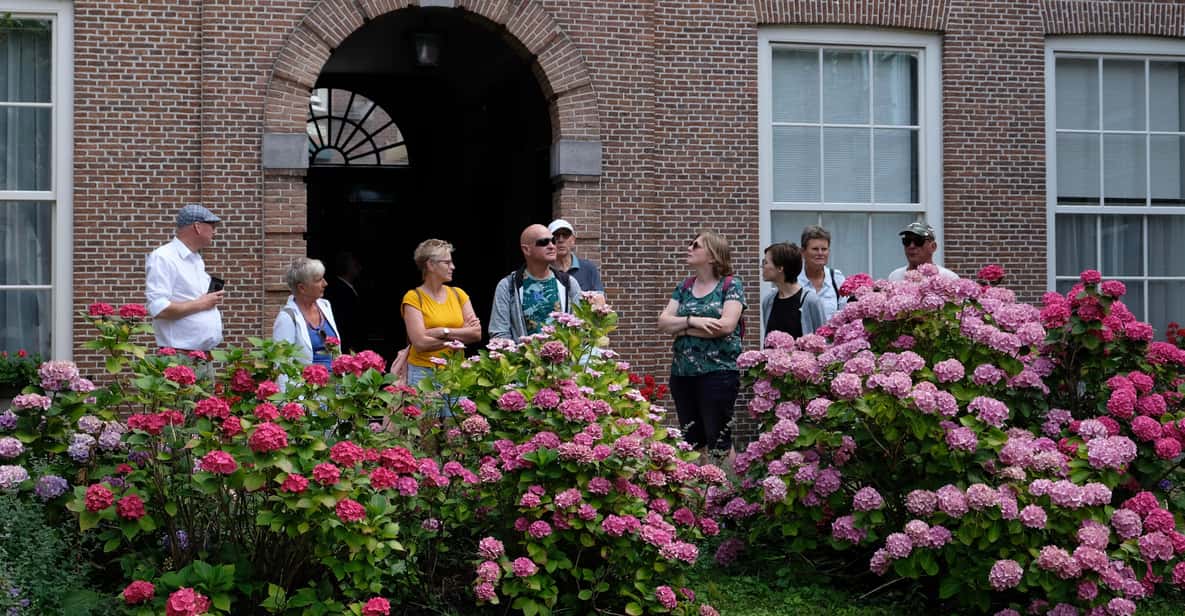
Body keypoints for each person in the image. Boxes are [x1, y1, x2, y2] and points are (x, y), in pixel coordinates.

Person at [657, 231, 745, 460]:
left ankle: (728, 491)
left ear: (713, 255)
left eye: (695, 245)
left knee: (719, 439)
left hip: (718, 374)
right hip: (683, 374)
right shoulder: (684, 287)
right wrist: (691, 322)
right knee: (693, 440)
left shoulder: (731, 285)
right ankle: (700, 492)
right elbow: (663, 322)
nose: (689, 248)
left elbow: (726, 326)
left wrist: (682, 330)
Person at [401, 239, 482, 389]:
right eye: (447, 262)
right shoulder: (413, 297)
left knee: (457, 413)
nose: (453, 267)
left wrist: (442, 332)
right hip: (423, 373)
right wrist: (461, 336)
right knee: (427, 413)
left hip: (456, 372)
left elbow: (476, 334)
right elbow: (419, 343)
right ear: (430, 265)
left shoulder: (459, 294)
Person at [145, 204, 225, 351]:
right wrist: (202, 303)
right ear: (197, 227)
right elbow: (158, 308)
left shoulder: (196, 259)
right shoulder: (164, 257)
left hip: (201, 355)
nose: (215, 232)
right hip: (179, 356)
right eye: (212, 226)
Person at [489, 224, 583, 340]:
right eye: (544, 242)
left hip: (564, 357)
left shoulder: (569, 283)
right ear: (526, 249)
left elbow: (580, 328)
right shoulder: (507, 286)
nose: (552, 246)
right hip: (521, 357)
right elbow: (499, 333)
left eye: (553, 241)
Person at [272, 258, 340, 369]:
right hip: (307, 385)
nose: (325, 283)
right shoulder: (287, 318)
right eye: (319, 280)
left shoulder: (325, 306)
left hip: (336, 383)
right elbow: (282, 364)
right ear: (302, 288)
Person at [762, 242, 825, 338]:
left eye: (765, 262)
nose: (762, 267)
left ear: (780, 268)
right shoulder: (768, 301)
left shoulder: (811, 301)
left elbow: (823, 338)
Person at [797, 225, 847, 322]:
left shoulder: (837, 279)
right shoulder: (793, 279)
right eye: (815, 249)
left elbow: (845, 316)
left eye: (824, 249)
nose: (820, 253)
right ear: (803, 252)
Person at [887, 221, 959, 281]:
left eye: (918, 241)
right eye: (907, 241)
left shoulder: (948, 278)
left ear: (933, 247)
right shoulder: (894, 277)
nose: (911, 246)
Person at [549, 218, 604, 294]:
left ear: (573, 240)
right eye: (556, 235)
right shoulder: (544, 271)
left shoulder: (588, 268)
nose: (561, 240)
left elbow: (600, 300)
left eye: (565, 235)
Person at [323, 251, 362, 352]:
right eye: (355, 265)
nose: (359, 268)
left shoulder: (349, 287)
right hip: (346, 342)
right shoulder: (339, 290)